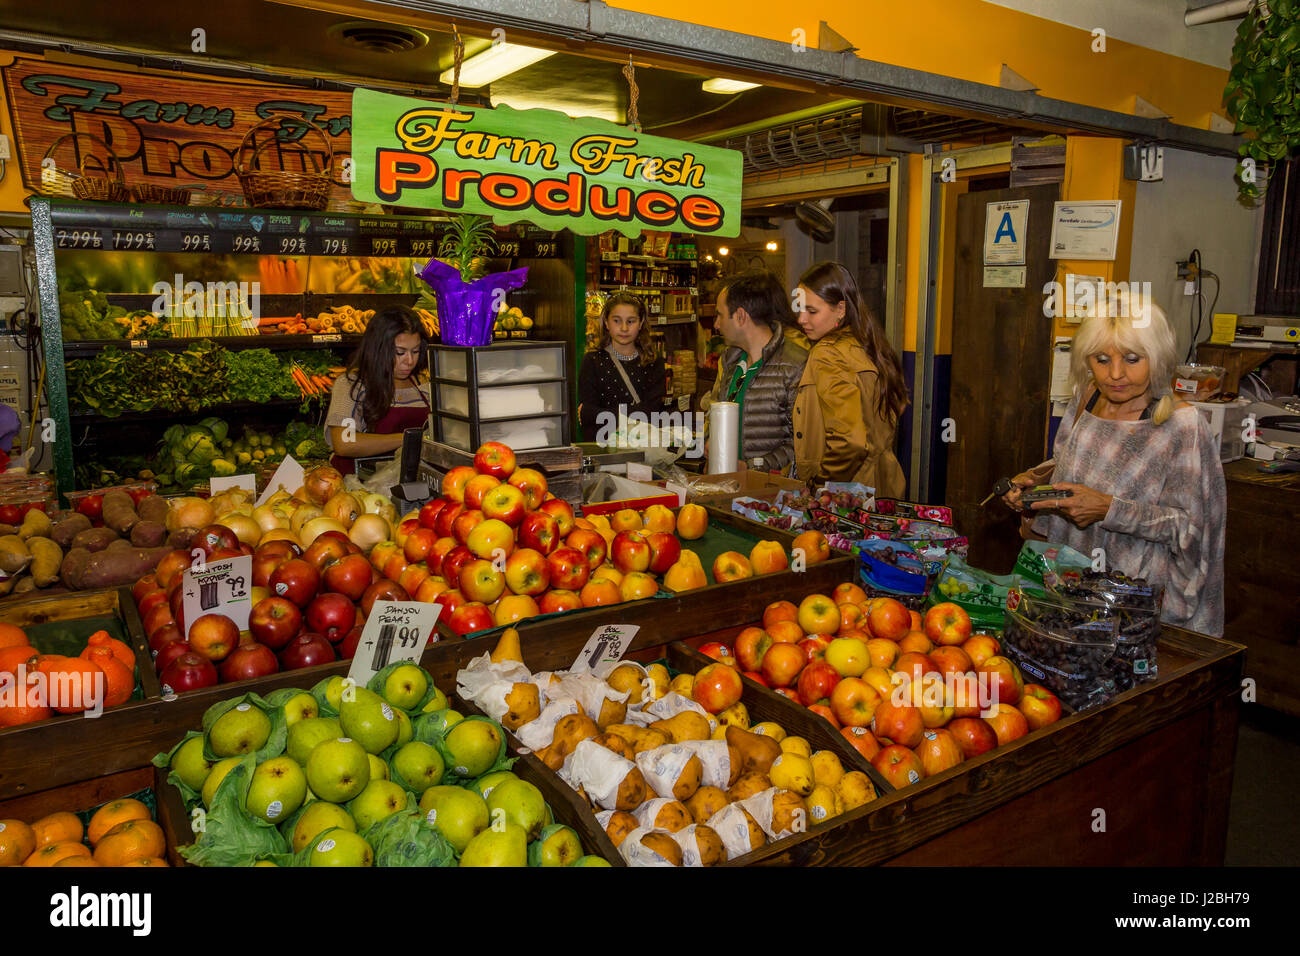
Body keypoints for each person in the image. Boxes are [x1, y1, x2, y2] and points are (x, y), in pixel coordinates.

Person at [1002, 293, 1225, 636]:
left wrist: (1110, 509)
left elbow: (1192, 529)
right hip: (1068, 588)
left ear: (1159, 358)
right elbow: (1066, 463)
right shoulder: (1088, 397)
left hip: (1133, 606)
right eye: (1101, 359)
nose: (1115, 374)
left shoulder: (1184, 427)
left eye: (1133, 359)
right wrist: (1036, 486)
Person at [792, 261, 909, 496]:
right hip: (884, 486)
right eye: (800, 309)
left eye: (812, 311)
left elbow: (850, 441)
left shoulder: (828, 354)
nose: (801, 319)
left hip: (847, 497)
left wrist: (821, 486)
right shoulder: (868, 345)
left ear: (841, 309)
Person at [701, 270, 808, 472]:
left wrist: (752, 468)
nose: (716, 324)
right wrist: (711, 439)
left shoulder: (795, 365)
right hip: (728, 489)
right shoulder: (731, 362)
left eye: (720, 315)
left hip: (769, 496)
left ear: (741, 316)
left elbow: (802, 443)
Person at [326, 306, 431, 476]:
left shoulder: (425, 386)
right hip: (361, 488)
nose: (409, 361)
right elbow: (345, 442)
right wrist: (409, 439)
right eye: (400, 352)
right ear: (378, 348)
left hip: (411, 483)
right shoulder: (352, 386)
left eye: (415, 351)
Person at [578, 291, 666, 440]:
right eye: (617, 320)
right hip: (604, 451)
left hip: (643, 452)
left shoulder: (653, 362)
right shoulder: (592, 361)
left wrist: (598, 414)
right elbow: (588, 421)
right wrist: (636, 412)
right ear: (606, 322)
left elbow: (652, 413)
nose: (624, 328)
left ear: (641, 323)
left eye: (631, 321)